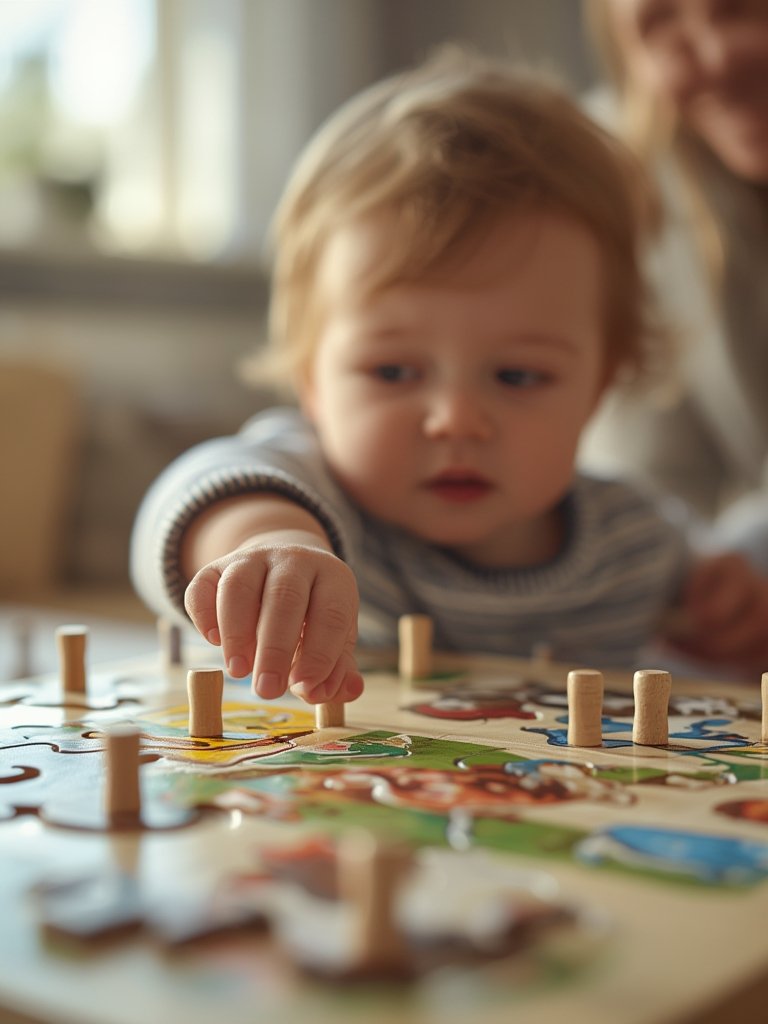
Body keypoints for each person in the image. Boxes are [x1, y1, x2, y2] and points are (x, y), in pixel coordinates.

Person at [130, 48, 768, 705]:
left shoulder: (633, 542)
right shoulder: (311, 497)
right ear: (310, 377)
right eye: (395, 370)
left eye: (518, 376)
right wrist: (269, 542)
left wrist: (729, 602)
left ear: (599, 387)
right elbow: (191, 495)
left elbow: (713, 588)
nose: (457, 418)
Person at [580, 0, 768, 579]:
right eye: (658, 22)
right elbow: (651, 478)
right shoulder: (616, 176)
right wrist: (711, 585)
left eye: (738, 8)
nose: (713, 59)